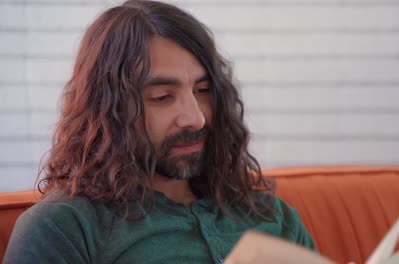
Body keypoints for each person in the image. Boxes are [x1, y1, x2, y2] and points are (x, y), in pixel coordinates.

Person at [4, 1, 315, 263]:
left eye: (204, 90)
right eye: (162, 97)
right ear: (108, 110)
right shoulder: (63, 228)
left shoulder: (274, 216)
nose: (195, 118)